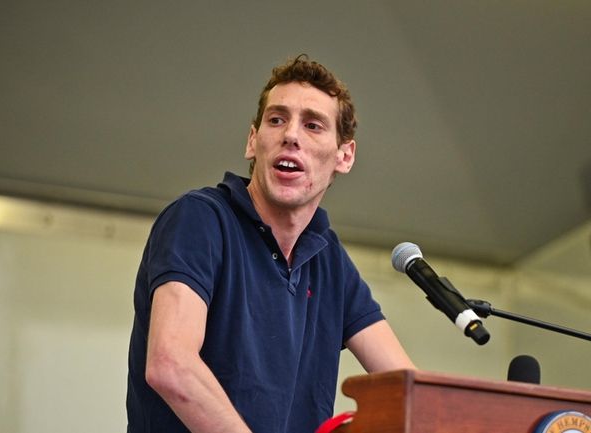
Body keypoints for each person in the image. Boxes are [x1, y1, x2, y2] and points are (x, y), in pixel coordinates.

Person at [126, 55, 415, 433]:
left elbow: (411, 395)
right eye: (277, 120)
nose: (290, 135)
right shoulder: (200, 219)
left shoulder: (329, 261)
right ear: (252, 141)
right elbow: (170, 364)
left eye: (313, 125)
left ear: (345, 156)